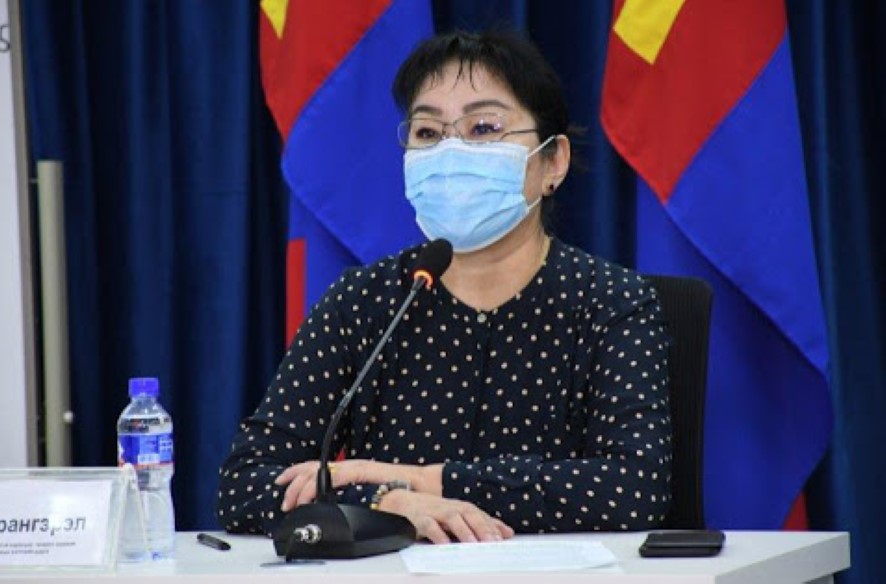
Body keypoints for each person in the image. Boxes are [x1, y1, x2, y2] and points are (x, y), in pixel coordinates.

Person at [218, 30, 672, 545]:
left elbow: (634, 487)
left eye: (484, 128)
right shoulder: (364, 302)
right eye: (428, 132)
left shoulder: (611, 302)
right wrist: (387, 503)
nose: (452, 151)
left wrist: (424, 481)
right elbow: (245, 484)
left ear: (553, 163)